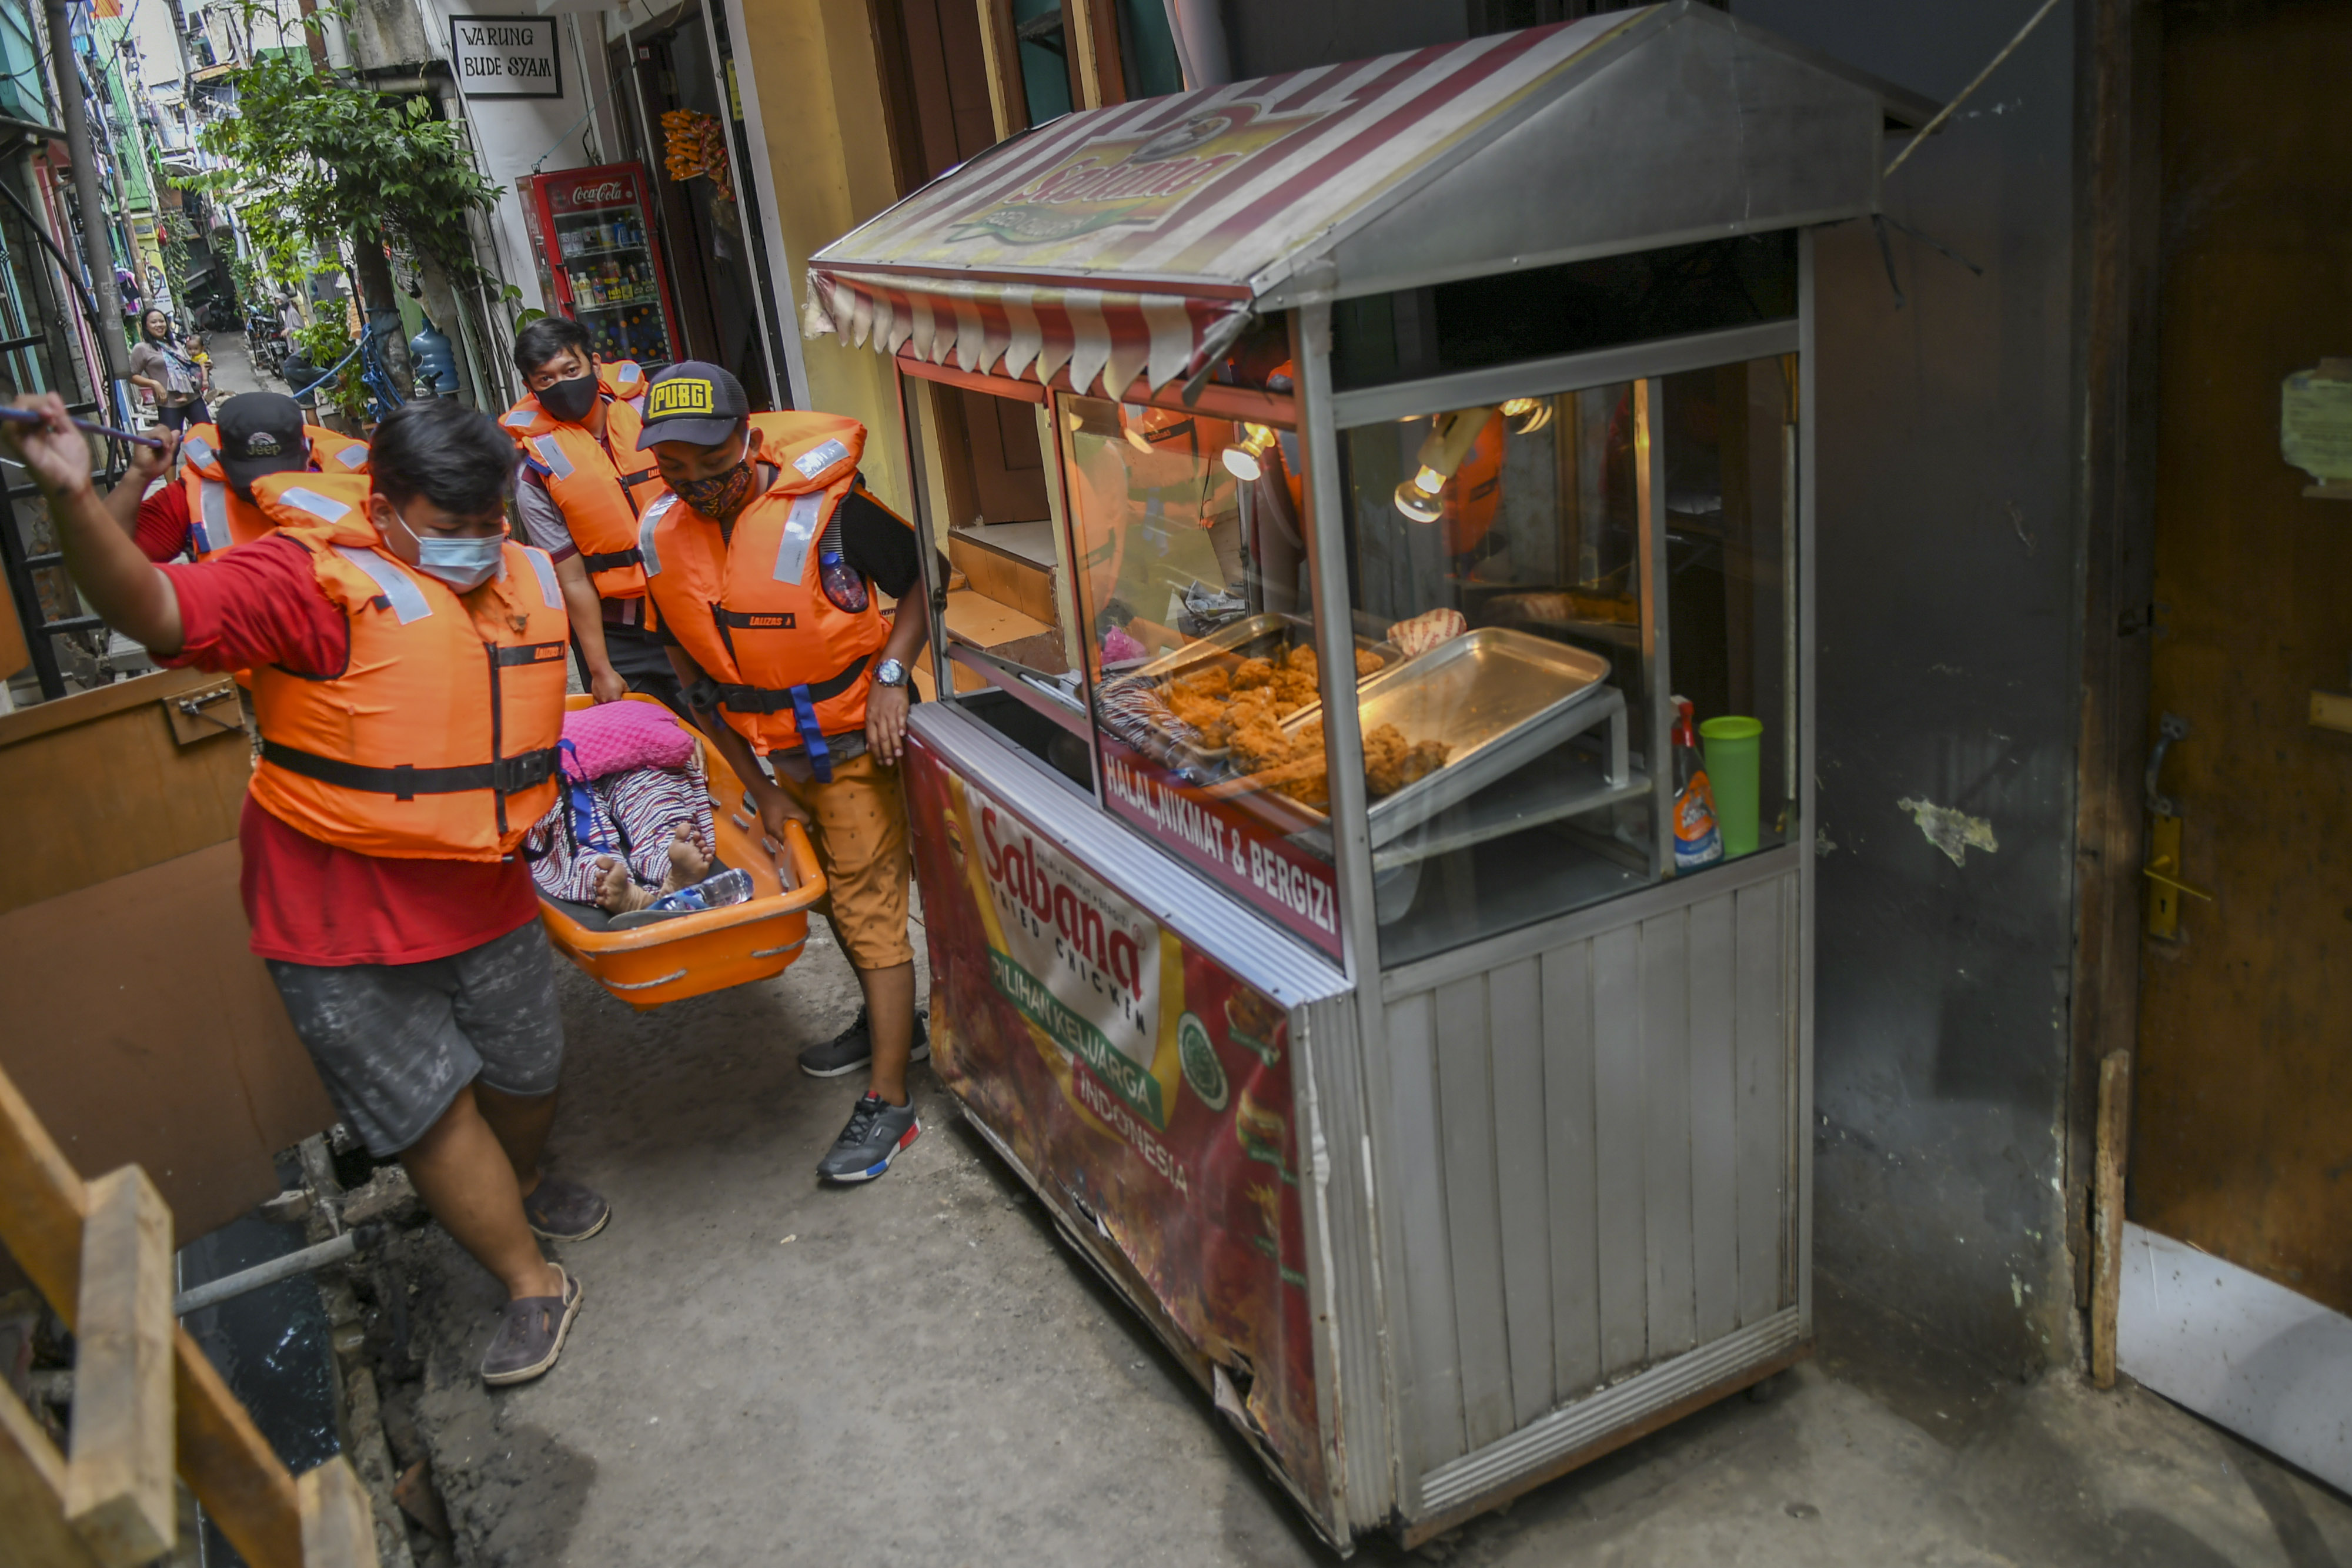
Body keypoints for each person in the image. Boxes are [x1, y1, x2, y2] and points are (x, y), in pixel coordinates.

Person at [2, 392, 606, 1388]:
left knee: (527, 1069)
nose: (480, 549)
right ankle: (529, 1278)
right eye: (453, 533)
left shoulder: (516, 573)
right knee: (425, 1109)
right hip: (333, 913)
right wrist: (75, 494)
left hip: (482, 879)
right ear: (388, 505)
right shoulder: (302, 579)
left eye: (491, 526)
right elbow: (151, 608)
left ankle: (525, 1180)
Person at [633, 362, 933, 1182]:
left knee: (870, 912)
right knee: (831, 894)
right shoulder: (662, 534)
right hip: (768, 756)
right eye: (674, 466)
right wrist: (757, 786)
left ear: (750, 439)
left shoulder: (832, 511)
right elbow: (691, 677)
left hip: (852, 746)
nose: (697, 481)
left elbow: (925, 579)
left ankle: (890, 1098)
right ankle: (890, 1028)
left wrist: (894, 678)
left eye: (711, 457)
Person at [500, 317, 682, 716]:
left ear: (596, 365)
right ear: (530, 389)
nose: (562, 385)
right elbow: (573, 577)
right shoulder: (534, 471)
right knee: (646, 757)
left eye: (571, 370)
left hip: (689, 606)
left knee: (724, 744)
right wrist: (601, 669)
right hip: (618, 633)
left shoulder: (655, 418)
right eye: (545, 381)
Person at [109, 392, 371, 563]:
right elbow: (108, 557)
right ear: (219, 458)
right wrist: (138, 475)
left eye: (282, 476)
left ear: (309, 450)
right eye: (250, 479)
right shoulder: (190, 497)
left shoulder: (360, 482)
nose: (263, 490)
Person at [126, 309, 210, 431]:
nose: (159, 325)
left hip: (193, 399)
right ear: (146, 326)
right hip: (169, 404)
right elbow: (132, 376)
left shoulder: (176, 345)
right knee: (171, 445)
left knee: (208, 436)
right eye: (154, 322)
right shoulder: (141, 349)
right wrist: (154, 384)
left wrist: (206, 366)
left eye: (162, 321)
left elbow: (190, 368)